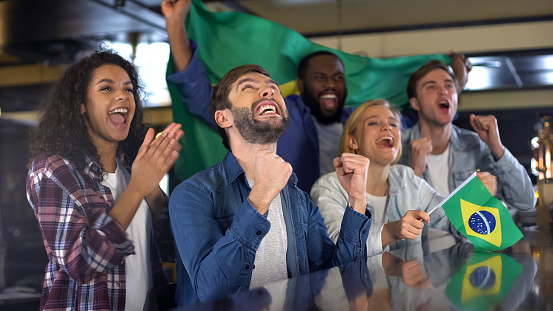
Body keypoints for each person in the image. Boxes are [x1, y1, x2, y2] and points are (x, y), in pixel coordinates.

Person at [162, 0, 471, 192]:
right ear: (300, 84)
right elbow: (199, 95)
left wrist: (455, 83)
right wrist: (175, 23)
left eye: (338, 77)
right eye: (320, 77)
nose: (330, 84)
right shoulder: (284, 115)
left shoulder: (364, 121)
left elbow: (423, 112)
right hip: (294, 221)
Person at [168, 64, 372, 307]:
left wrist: (357, 200)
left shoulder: (298, 200)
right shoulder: (193, 194)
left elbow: (335, 281)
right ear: (223, 118)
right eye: (249, 88)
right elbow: (213, 292)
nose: (268, 92)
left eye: (273, 88)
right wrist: (261, 195)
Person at [26, 51, 184, 310]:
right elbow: (82, 262)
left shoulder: (132, 168)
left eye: (128, 89)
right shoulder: (52, 169)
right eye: (106, 88)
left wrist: (152, 188)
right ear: (81, 104)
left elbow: (172, 249)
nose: (122, 95)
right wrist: (137, 188)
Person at [311, 99, 497, 256]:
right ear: (353, 141)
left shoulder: (407, 177)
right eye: (374, 123)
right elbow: (338, 248)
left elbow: (454, 223)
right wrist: (392, 230)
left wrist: (476, 199)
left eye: (393, 124)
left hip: (407, 298)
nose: (387, 128)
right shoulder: (328, 187)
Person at [398, 60, 536, 210]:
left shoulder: (475, 145)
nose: (443, 91)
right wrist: (414, 175)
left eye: (449, 85)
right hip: (418, 235)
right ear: (415, 103)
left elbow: (526, 202)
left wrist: (497, 148)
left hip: (466, 234)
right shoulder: (397, 148)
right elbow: (389, 219)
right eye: (431, 87)